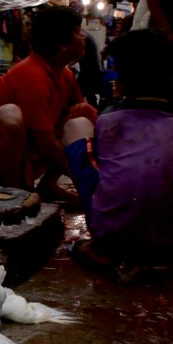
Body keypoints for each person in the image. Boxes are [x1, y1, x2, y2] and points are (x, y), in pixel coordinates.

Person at [0, 6, 98, 204]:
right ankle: (18, 193)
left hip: (27, 155)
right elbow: (45, 143)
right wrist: (88, 182)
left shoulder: (64, 74)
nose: (84, 36)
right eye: (78, 31)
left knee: (84, 112)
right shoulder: (32, 74)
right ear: (62, 44)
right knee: (9, 115)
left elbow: (83, 121)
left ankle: (48, 185)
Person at [64, 29, 173, 269]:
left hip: (111, 236)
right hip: (167, 243)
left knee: (77, 126)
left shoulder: (109, 120)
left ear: (120, 83)